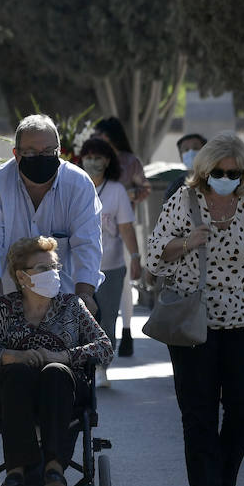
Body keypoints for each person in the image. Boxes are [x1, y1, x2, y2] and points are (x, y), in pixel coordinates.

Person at [144, 132, 244, 486]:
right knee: (198, 411)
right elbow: (153, 258)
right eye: (219, 172)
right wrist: (188, 242)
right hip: (194, 321)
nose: (227, 177)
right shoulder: (184, 201)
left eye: (235, 172)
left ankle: (225, 476)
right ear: (205, 172)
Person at [0, 236, 113, 486]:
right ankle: (17, 470)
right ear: (22, 276)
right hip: (16, 391)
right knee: (16, 375)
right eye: (42, 269)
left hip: (63, 389)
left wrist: (63, 355)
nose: (52, 274)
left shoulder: (71, 306)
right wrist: (9, 356)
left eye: (53, 267)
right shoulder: (4, 309)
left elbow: (104, 347)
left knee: (53, 371)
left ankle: (53, 470)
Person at [0, 114, 102, 318]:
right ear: (16, 154)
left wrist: (85, 296)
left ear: (59, 152)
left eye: (49, 152)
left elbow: (87, 244)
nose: (41, 158)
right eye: (31, 153)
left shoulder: (79, 185)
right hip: (7, 302)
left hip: (66, 304)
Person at [74, 136, 141, 388]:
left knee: (107, 318)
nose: (93, 162)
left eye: (98, 157)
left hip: (112, 266)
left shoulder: (116, 191)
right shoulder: (75, 186)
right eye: (88, 157)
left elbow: (126, 227)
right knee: (79, 317)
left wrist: (135, 256)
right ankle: (79, 364)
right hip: (79, 267)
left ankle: (102, 367)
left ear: (108, 161)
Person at [91, 117, 149, 357]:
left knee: (123, 284)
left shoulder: (129, 161)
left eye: (101, 135)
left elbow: (144, 188)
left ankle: (126, 330)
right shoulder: (92, 159)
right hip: (99, 228)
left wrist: (127, 195)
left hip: (124, 225)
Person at [165, 133, 208, 203]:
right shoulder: (176, 185)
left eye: (195, 148)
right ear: (181, 157)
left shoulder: (216, 179)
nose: (191, 152)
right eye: (186, 149)